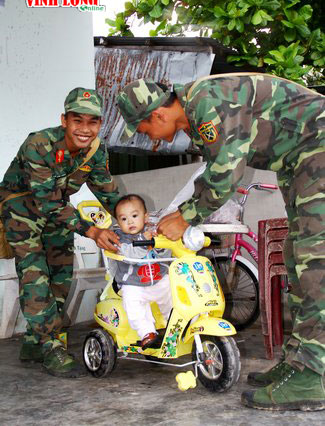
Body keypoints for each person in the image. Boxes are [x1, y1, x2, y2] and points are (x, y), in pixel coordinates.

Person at [116, 75, 325, 411]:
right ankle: (301, 362)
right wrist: (178, 213)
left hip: (318, 150)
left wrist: (185, 217)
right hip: (301, 161)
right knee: (297, 256)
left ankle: (315, 374)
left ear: (157, 115)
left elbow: (227, 171)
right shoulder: (198, 118)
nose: (151, 142)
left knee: (314, 262)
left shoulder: (204, 101)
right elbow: (211, 172)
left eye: (144, 132)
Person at [0, 87, 121, 378]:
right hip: (21, 207)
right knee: (34, 274)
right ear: (64, 120)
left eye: (92, 122)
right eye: (77, 120)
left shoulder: (96, 150)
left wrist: (134, 218)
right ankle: (50, 344)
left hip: (58, 211)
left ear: (99, 125)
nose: (84, 129)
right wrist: (91, 230)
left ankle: (34, 340)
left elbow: (108, 191)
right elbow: (47, 201)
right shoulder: (39, 144)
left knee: (60, 276)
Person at [113, 194, 172, 349]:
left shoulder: (152, 232)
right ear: (119, 223)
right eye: (124, 219)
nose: (130, 221)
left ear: (145, 217)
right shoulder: (120, 239)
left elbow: (166, 255)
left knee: (171, 289)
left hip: (157, 279)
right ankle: (146, 332)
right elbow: (129, 255)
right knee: (132, 301)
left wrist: (159, 244)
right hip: (133, 283)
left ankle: (173, 322)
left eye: (134, 216)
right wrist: (142, 242)